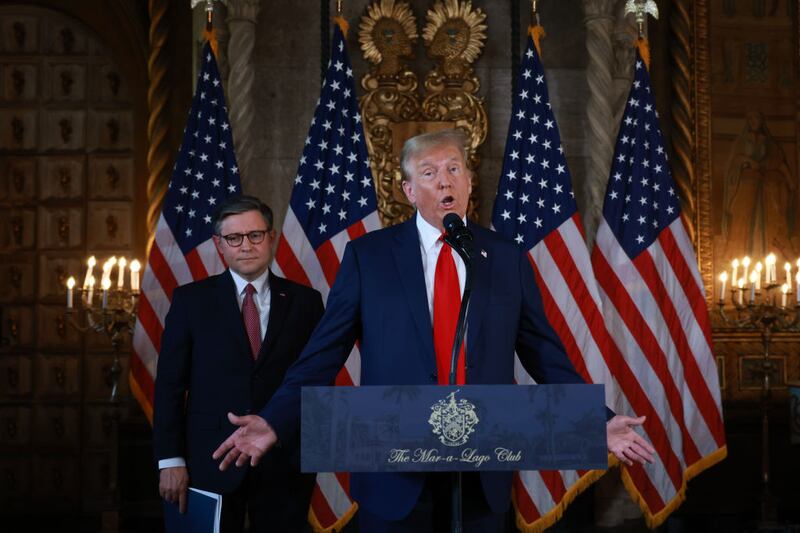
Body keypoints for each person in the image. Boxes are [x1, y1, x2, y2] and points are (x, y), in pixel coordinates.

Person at [213, 131, 655, 532]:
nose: (445, 181)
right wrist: (274, 420)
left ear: (466, 182)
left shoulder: (505, 257)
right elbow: (322, 355)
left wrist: (598, 420)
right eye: (430, 173)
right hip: (395, 469)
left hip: (482, 467)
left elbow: (544, 354)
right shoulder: (369, 257)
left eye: (453, 169)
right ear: (409, 190)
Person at [153, 195, 324, 532]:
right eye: (234, 238)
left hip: (284, 460)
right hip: (208, 460)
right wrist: (170, 460)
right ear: (219, 244)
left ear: (271, 237)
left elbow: (316, 381)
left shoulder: (306, 302)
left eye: (255, 235)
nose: (246, 245)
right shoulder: (191, 302)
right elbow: (170, 386)